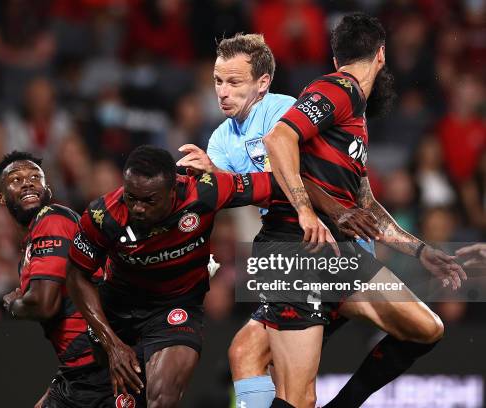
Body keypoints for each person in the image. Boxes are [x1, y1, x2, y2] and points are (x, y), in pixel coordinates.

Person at [261, 13, 465, 407]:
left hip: (339, 258)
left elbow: (366, 206)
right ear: (382, 56)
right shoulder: (341, 89)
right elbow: (278, 138)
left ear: (337, 57)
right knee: (296, 397)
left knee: (426, 327)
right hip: (296, 250)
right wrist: (307, 211)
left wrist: (421, 251)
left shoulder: (353, 118)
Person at [177, 33, 379, 408]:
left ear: (262, 83)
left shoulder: (286, 111)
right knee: (245, 355)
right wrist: (205, 185)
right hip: (293, 249)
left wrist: (218, 180)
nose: (222, 92)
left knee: (291, 389)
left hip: (331, 245)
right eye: (218, 81)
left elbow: (279, 185)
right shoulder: (221, 138)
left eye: (234, 82)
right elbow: (234, 195)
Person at [65, 145, 347, 408]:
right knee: (92, 392)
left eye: (149, 200)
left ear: (173, 188)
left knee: (162, 397)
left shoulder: (205, 191)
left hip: (175, 306)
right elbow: (77, 275)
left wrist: (338, 211)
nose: (138, 208)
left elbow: (282, 183)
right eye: (131, 197)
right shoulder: (103, 215)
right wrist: (112, 345)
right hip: (117, 306)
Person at [0, 151, 116, 408]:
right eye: (15, 179)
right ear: (1, 198)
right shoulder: (30, 247)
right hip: (80, 368)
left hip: (95, 367)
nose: (27, 182)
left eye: (35, 177)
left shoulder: (51, 219)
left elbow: (44, 303)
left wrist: (13, 304)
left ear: (47, 190)